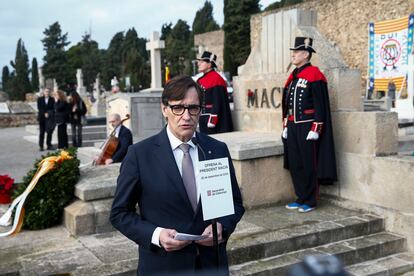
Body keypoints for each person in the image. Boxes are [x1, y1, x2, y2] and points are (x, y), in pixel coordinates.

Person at [110, 75, 244, 275]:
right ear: (164, 109)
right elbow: (119, 213)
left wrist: (222, 227)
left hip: (211, 265)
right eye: (178, 108)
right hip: (163, 266)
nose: (186, 116)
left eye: (193, 108)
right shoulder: (139, 155)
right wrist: (156, 235)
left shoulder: (216, 149)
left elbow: (234, 203)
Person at [281, 37, 337, 213]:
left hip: (307, 126)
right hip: (292, 125)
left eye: (296, 52)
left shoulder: (315, 75)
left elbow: (320, 104)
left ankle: (311, 200)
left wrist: (316, 128)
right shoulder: (293, 77)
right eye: (293, 52)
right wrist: (285, 126)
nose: (293, 55)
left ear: (306, 54)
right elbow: (287, 105)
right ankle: (300, 197)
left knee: (308, 164)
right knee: (296, 163)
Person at [196, 51, 233, 134]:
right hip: (203, 118)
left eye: (202, 62)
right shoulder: (200, 80)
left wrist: (212, 121)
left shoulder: (216, 79)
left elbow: (217, 102)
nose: (199, 64)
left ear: (209, 64)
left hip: (215, 122)